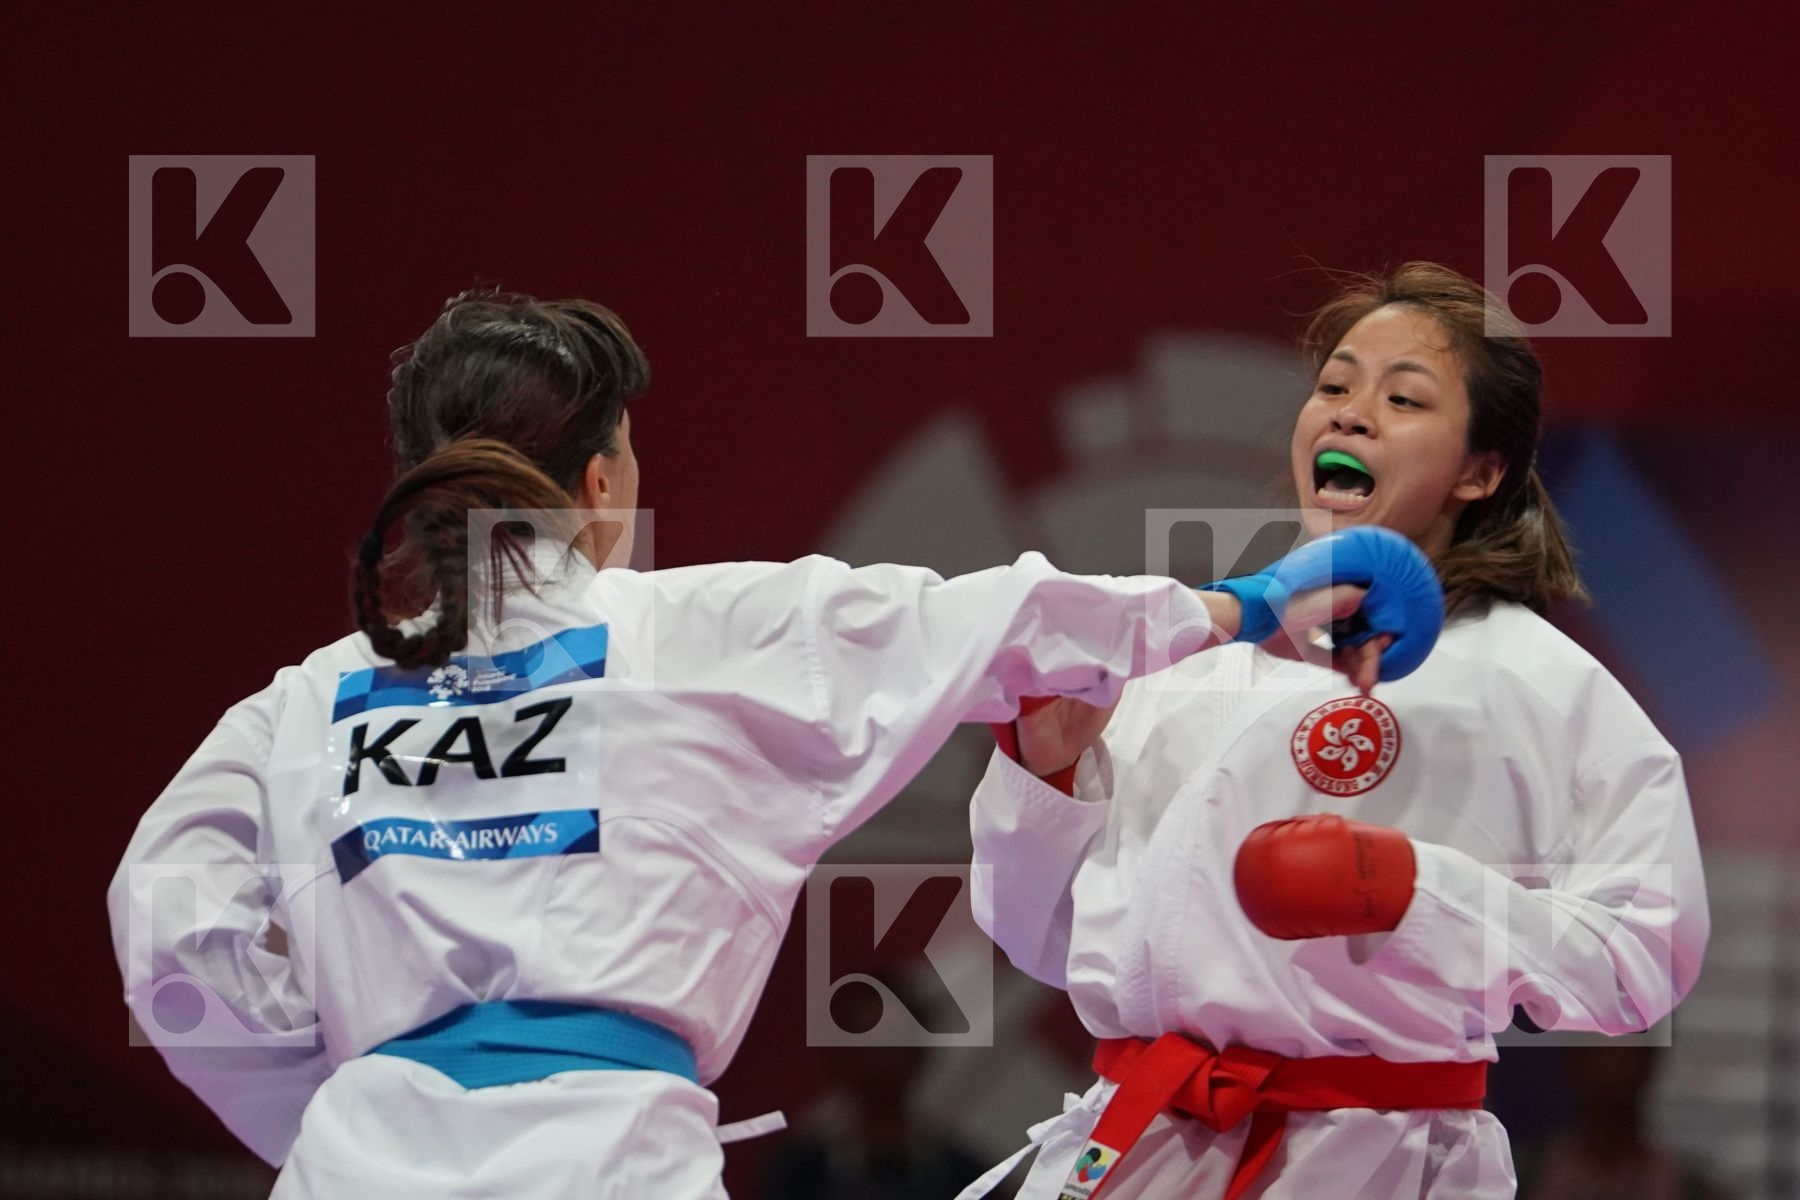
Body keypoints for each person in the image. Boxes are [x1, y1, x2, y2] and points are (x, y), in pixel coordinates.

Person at [104, 288, 1434, 1200]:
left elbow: (168, 930)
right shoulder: (706, 629)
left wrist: (347, 1107)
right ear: (605, 483)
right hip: (605, 1166)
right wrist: (1249, 604)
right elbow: (1008, 623)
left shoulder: (302, 702)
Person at [959, 262, 1710, 1200]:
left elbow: (1647, 952)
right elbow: (1037, 939)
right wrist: (1049, 778)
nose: (1351, 414)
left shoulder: (1540, 683)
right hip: (1141, 1142)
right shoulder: (1189, 652)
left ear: (1480, 470)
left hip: (1375, 1159)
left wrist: (1414, 892)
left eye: (1404, 398)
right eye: (1335, 386)